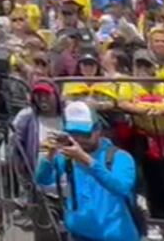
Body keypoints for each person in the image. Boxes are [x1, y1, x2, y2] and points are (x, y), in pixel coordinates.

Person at [34, 101, 139, 241]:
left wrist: (86, 160)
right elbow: (43, 179)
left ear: (98, 130)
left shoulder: (120, 157)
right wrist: (50, 155)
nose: (80, 140)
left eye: (85, 134)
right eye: (74, 134)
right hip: (78, 234)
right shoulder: (68, 156)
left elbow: (121, 188)